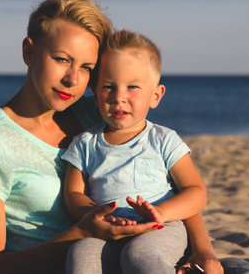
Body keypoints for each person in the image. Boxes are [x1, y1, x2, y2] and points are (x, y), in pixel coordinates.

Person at [0, 0, 249, 274]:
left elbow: (170, 185)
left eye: (87, 67)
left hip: (144, 252)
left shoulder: (96, 113)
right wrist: (84, 232)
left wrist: (203, 250)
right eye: (62, 59)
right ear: (29, 51)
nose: (72, 80)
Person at [62, 29, 208, 273]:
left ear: (155, 96)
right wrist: (94, 214)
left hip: (160, 228)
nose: (119, 97)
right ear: (95, 94)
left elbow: (196, 192)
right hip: (107, 231)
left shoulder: (163, 139)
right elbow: (73, 194)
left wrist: (161, 212)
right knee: (80, 254)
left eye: (132, 87)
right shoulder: (85, 143)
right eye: (108, 87)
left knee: (139, 256)